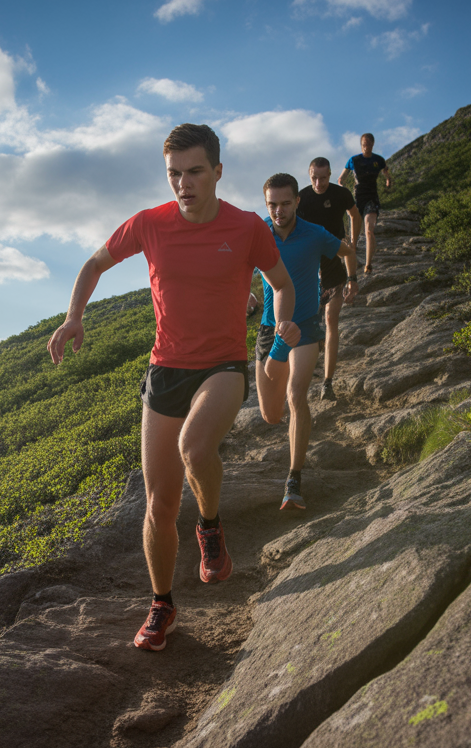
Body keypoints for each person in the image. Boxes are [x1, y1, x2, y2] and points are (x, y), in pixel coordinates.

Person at [47, 124, 299, 653]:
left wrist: (280, 323)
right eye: (174, 174)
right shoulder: (149, 224)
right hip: (165, 369)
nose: (183, 184)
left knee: (194, 447)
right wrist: (74, 316)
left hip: (223, 366)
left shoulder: (246, 227)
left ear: (218, 171)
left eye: (195, 172)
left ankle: (209, 525)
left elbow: (280, 283)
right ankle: (162, 604)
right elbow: (95, 263)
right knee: (159, 504)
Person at [253, 173, 357, 510]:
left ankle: (293, 480)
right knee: (271, 415)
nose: (279, 211)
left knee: (296, 394)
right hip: (270, 330)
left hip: (306, 325)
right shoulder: (258, 233)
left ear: (297, 201)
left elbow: (346, 250)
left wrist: (352, 278)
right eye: (272, 205)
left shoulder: (314, 233)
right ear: (266, 204)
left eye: (286, 203)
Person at [296, 157, 361, 401]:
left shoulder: (340, 193)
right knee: (307, 324)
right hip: (310, 264)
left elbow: (355, 216)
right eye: (314, 177)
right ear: (309, 175)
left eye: (323, 178)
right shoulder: (301, 198)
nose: (318, 182)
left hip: (335, 257)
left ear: (330, 175)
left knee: (331, 319)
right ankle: (305, 370)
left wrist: (354, 242)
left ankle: (327, 382)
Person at [339, 133, 391, 274]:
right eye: (363, 144)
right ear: (361, 144)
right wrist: (344, 190)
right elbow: (341, 179)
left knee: (369, 230)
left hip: (371, 198)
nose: (366, 147)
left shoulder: (378, 160)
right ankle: (351, 269)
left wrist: (388, 180)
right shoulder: (354, 160)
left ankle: (368, 265)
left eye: (368, 144)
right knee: (353, 239)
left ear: (372, 144)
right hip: (357, 199)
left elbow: (386, 172)